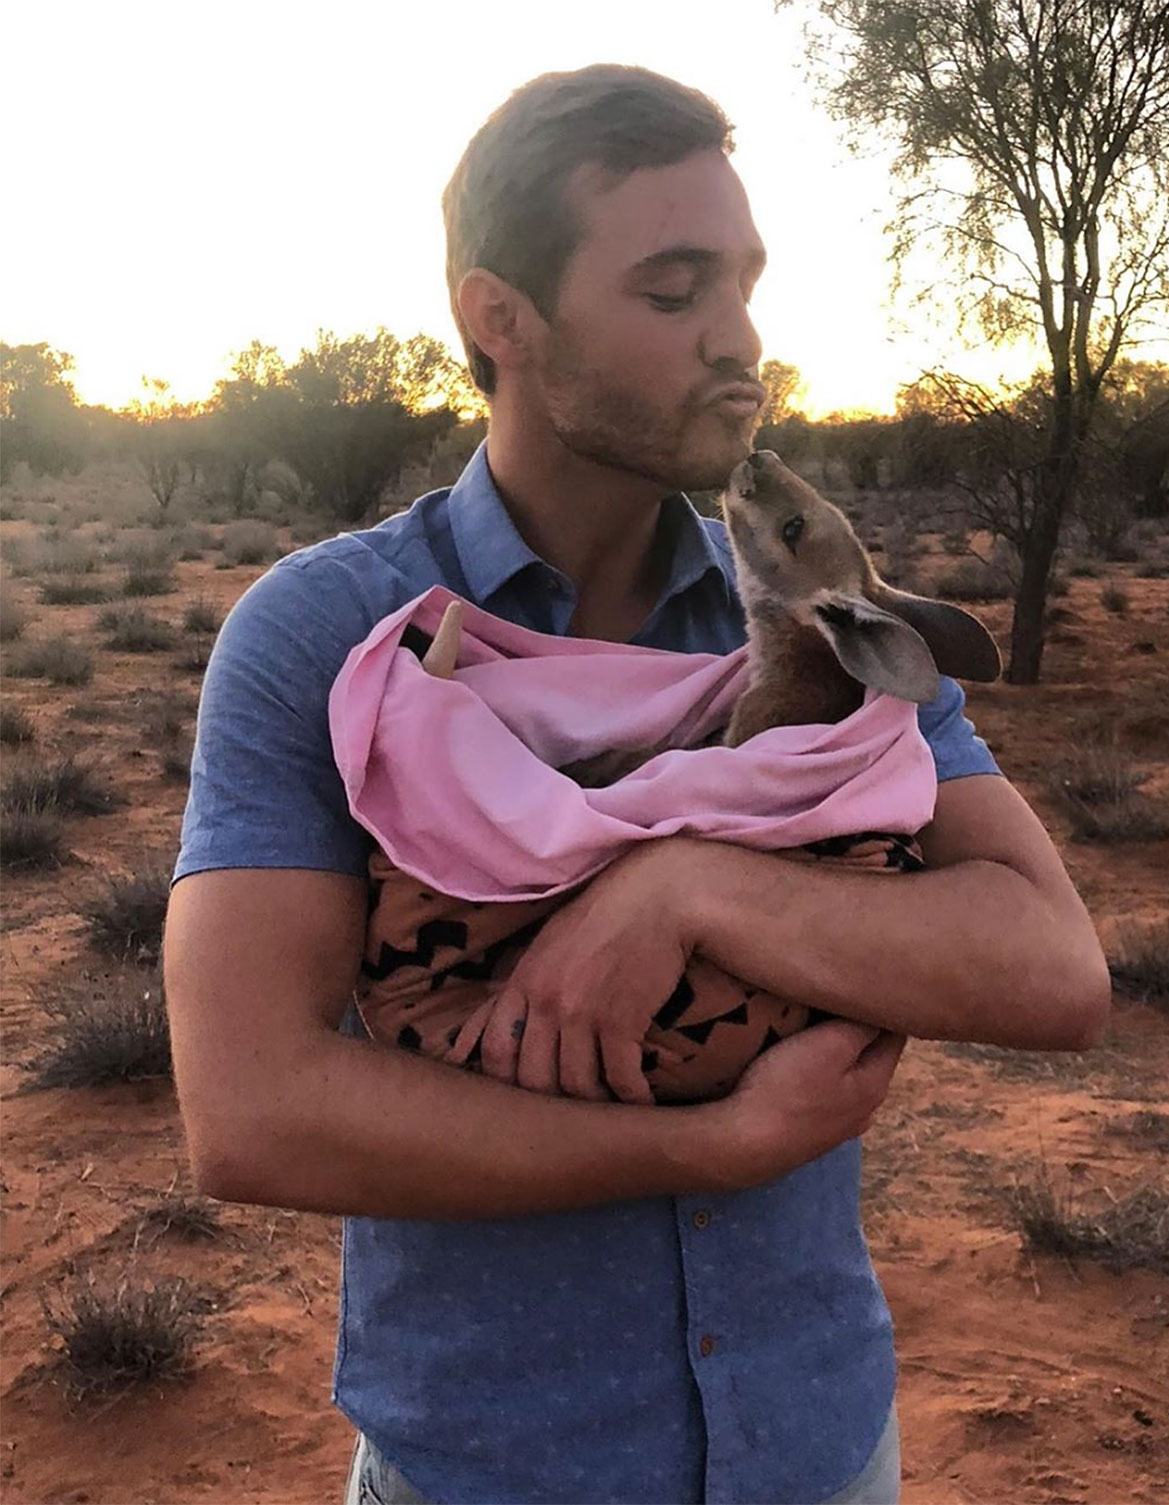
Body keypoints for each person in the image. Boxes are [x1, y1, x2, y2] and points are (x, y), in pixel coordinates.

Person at [163, 64, 1111, 1505]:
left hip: (818, 1445)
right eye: (674, 293)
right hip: (496, 1459)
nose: (741, 343)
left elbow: (1052, 970)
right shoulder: (338, 638)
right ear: (503, 321)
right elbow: (252, 1107)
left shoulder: (818, 615)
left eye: (743, 284)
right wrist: (710, 1142)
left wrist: (688, 884)